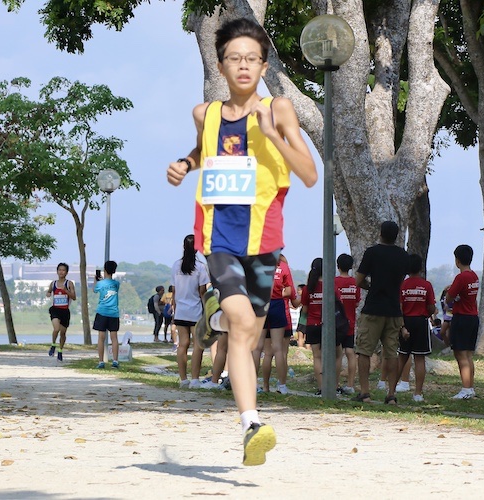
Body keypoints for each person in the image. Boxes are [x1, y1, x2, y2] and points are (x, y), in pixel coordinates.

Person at [166, 17, 317, 466]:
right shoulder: (205, 113)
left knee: (247, 332)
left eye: (252, 59)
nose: (244, 66)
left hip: (265, 240)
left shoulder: (280, 110)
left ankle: (250, 426)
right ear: (221, 65)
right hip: (218, 237)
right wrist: (185, 163)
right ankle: (251, 421)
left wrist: (272, 135)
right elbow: (204, 150)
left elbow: (309, 174)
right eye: (235, 59)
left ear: (264, 65)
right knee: (238, 319)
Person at [354, 221, 409, 405]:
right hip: (393, 310)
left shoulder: (372, 252)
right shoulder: (403, 255)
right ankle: (391, 394)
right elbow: (400, 279)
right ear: (396, 236)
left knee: (364, 351)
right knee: (391, 353)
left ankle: (365, 392)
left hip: (373, 309)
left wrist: (369, 286)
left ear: (380, 234)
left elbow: (359, 280)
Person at [171, 234, 209, 388]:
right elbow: (202, 292)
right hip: (196, 311)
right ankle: (195, 379)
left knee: (182, 344)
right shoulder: (200, 267)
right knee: (197, 345)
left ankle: (183, 379)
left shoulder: (176, 265)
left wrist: (174, 308)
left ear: (183, 247)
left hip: (181, 310)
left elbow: (173, 291)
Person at [253, 253, 295, 394]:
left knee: (258, 348)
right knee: (278, 349)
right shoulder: (283, 267)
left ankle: (254, 384)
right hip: (277, 305)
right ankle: (282, 386)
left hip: (260, 304)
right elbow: (289, 290)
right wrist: (278, 291)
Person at [302, 258, 344, 395]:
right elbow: (339, 304)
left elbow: (305, 309)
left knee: (317, 357)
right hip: (331, 326)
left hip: (313, 325)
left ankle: (321, 388)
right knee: (338, 355)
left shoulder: (308, 288)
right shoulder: (331, 286)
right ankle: (335, 386)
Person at [398, 254, 436, 402]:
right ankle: (418, 393)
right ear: (421, 267)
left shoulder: (403, 285)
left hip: (406, 322)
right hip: (421, 322)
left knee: (402, 357)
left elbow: (399, 307)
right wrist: (428, 312)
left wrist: (402, 327)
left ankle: (393, 389)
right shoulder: (426, 285)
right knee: (419, 358)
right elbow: (432, 307)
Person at [446, 244, 480, 399]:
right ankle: (470, 387)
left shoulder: (461, 277)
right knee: (468, 354)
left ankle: (466, 389)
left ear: (457, 260)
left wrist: (450, 291)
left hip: (462, 317)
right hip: (473, 317)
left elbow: (449, 298)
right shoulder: (474, 276)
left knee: (460, 354)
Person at [335, 253, 361, 395]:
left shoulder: (333, 282)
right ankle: (350, 384)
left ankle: (335, 384)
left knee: (337, 354)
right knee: (350, 352)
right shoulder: (355, 283)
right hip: (350, 322)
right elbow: (357, 302)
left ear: (338, 266)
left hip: (337, 323)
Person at [46, 263, 76, 362]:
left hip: (65, 311)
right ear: (57, 271)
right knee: (56, 328)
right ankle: (53, 344)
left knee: (63, 333)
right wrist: (48, 293)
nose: (61, 272)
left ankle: (60, 350)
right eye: (59, 270)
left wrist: (66, 291)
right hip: (55, 309)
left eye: (63, 270)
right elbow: (49, 291)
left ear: (66, 272)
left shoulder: (69, 283)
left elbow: (74, 297)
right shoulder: (53, 283)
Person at [93, 261, 120, 369]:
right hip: (114, 313)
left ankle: (101, 361)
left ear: (104, 270)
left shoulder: (100, 284)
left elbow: (94, 290)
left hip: (102, 312)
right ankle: (115, 360)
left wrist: (96, 280)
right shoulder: (116, 284)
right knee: (114, 338)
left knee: (101, 338)